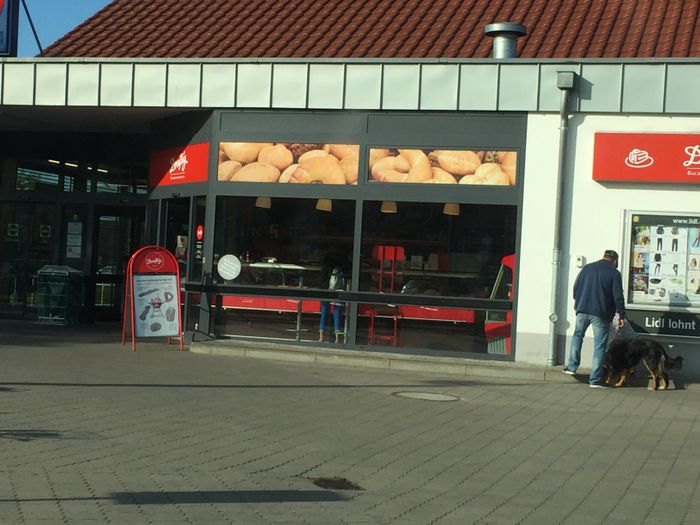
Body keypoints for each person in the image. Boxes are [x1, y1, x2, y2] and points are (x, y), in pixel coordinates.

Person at [563, 249, 626, 388]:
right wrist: (621, 314)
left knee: (578, 336)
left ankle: (571, 367)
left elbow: (576, 287)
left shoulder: (587, 268)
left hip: (582, 309)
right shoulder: (614, 273)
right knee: (600, 345)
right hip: (601, 314)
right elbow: (618, 296)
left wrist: (578, 302)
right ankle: (595, 380)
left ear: (603, 257)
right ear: (615, 260)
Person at [319, 249, 348, 343]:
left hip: (326, 289)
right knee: (337, 313)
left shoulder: (327, 259)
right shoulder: (343, 259)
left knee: (324, 312)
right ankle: (337, 338)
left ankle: (321, 337)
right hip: (338, 288)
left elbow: (322, 274)